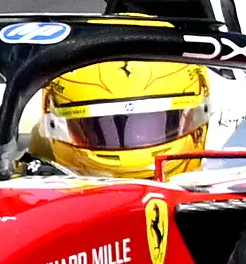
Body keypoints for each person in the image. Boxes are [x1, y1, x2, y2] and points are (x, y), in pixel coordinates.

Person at [21, 58, 212, 179]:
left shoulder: (232, 159)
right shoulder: (34, 169)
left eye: (156, 124)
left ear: (197, 116)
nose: (134, 145)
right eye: (97, 130)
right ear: (56, 126)